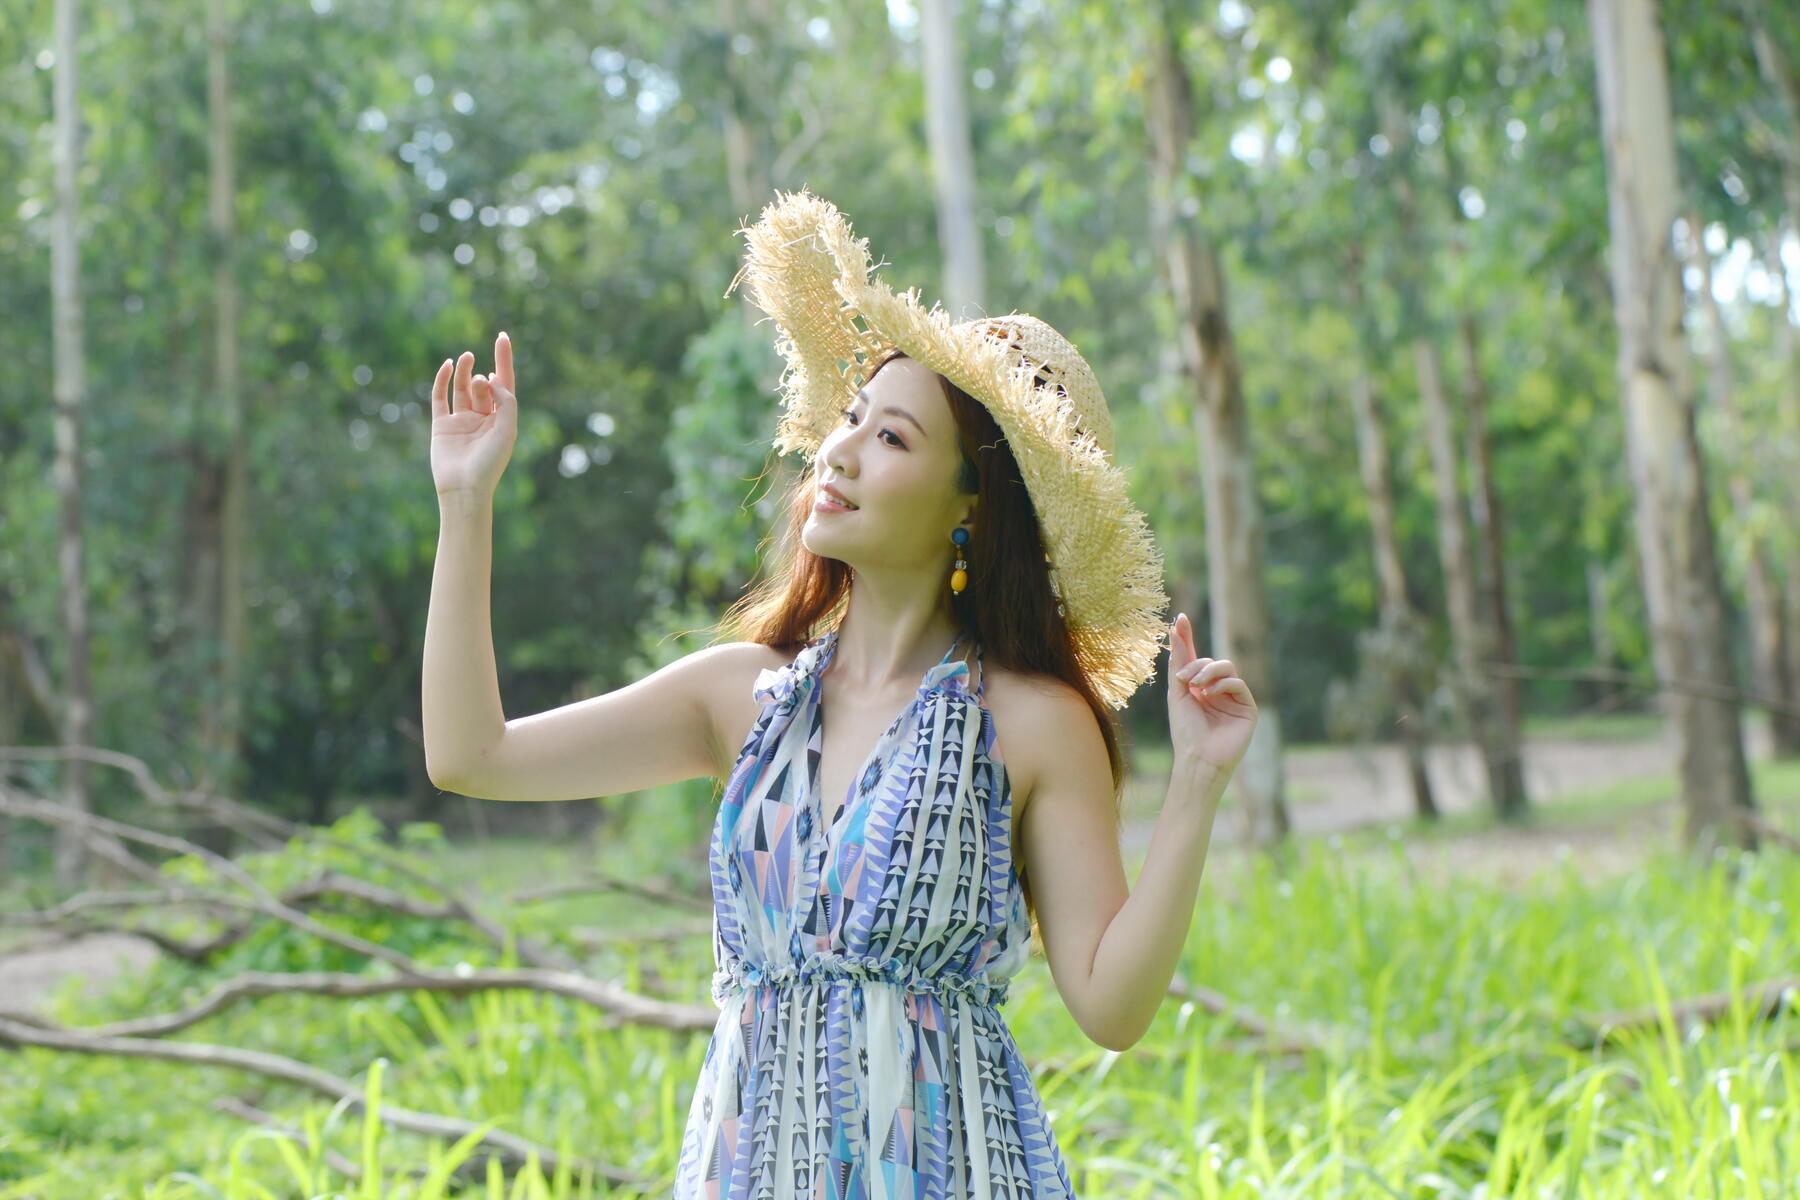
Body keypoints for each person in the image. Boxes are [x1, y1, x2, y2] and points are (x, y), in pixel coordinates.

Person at [421, 189, 1257, 1199]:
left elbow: (1112, 1008)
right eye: (852, 419)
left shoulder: (1032, 724)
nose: (841, 450)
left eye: (893, 439)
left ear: (972, 508)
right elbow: (470, 756)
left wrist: (1198, 783)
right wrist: (465, 502)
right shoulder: (744, 695)